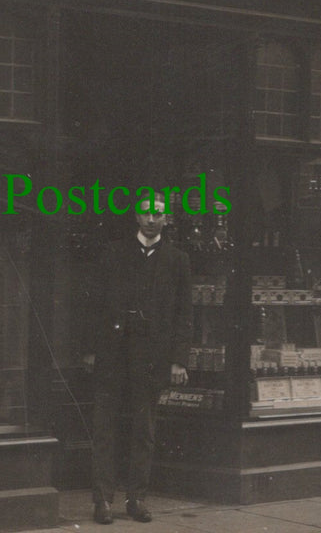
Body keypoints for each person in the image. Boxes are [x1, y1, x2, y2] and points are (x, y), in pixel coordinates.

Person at [84, 191, 192, 524]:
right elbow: (94, 303)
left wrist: (178, 360)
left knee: (143, 430)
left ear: (166, 218)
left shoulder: (177, 260)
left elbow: (184, 314)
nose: (151, 219)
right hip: (113, 354)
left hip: (151, 357)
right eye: (146, 212)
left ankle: (137, 498)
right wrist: (90, 349)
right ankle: (103, 500)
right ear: (136, 215)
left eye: (158, 213)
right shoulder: (114, 253)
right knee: (105, 427)